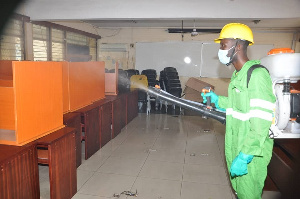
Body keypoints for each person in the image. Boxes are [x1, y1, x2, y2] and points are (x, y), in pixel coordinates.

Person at [201, 23, 276, 199]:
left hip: (251, 154)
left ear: (238, 46)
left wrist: (245, 155)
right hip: (236, 145)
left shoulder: (256, 75)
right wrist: (218, 101)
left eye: (223, 45)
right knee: (239, 192)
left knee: (249, 194)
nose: (220, 50)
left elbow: (260, 122)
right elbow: (237, 107)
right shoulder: (238, 76)